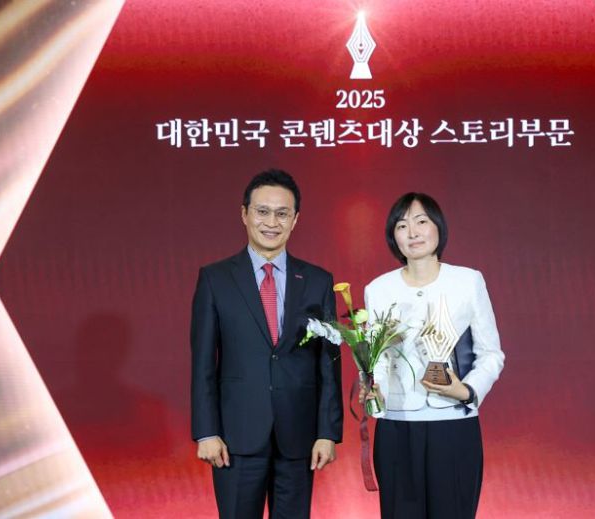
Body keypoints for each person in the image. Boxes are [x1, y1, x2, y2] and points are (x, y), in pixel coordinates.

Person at [190, 169, 343, 519]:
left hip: (299, 437)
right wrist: (206, 431)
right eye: (262, 211)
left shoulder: (318, 281)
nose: (271, 222)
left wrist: (327, 432)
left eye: (282, 213)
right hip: (235, 437)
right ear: (244, 214)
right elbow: (203, 363)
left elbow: (328, 365)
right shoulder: (215, 279)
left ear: (295, 220)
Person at [362, 192, 505, 519]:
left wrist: (466, 391)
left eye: (421, 221)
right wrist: (374, 389)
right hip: (397, 427)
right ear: (393, 236)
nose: (412, 232)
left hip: (453, 426)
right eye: (402, 225)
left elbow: (491, 353)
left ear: (438, 227)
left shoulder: (467, 281)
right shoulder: (378, 289)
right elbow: (377, 358)